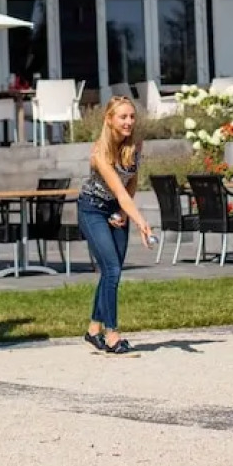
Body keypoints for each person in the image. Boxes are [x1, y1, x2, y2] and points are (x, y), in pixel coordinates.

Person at [77, 95, 155, 355]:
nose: (129, 122)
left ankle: (93, 330)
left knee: (113, 270)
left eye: (132, 116)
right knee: (111, 269)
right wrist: (142, 222)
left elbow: (131, 181)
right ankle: (112, 334)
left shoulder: (135, 145)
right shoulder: (100, 151)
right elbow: (119, 191)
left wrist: (123, 211)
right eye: (123, 117)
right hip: (92, 209)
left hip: (116, 209)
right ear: (109, 120)